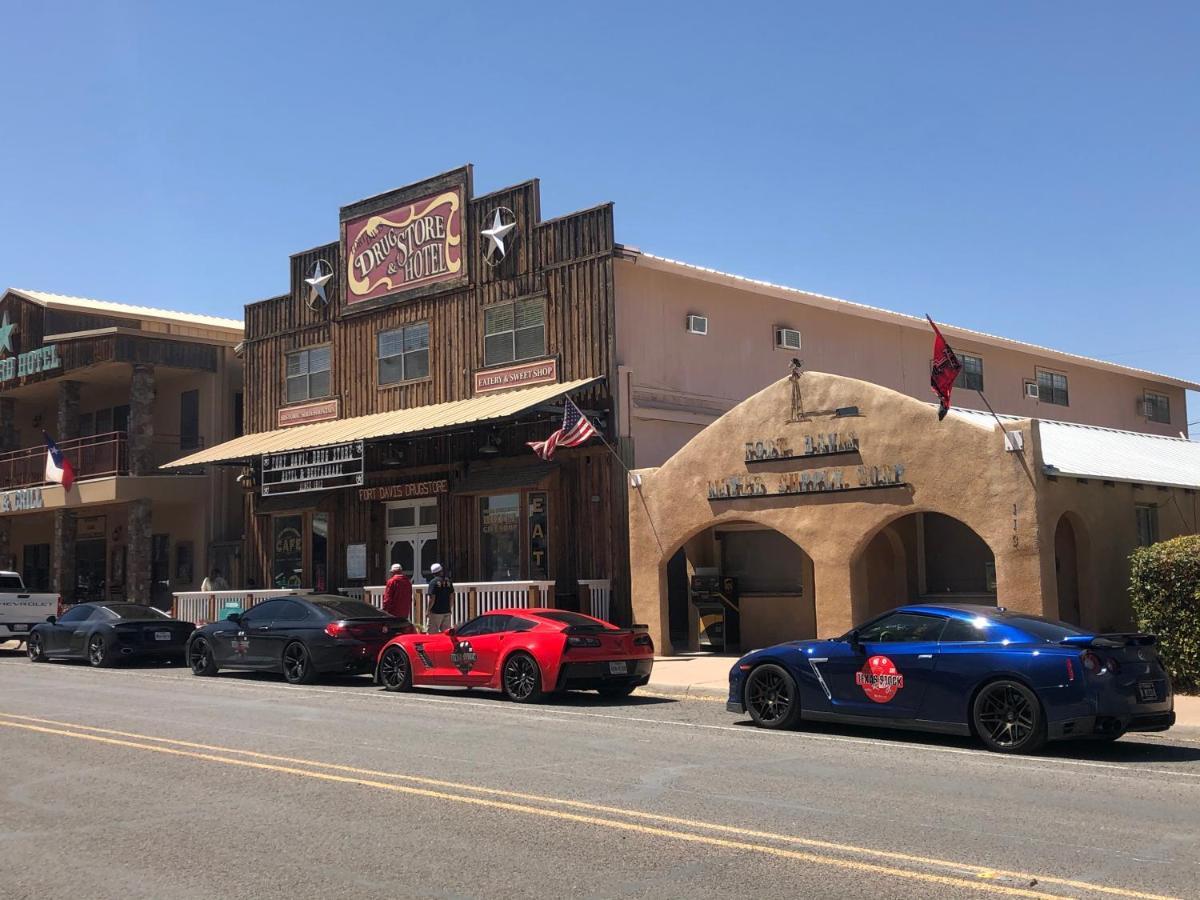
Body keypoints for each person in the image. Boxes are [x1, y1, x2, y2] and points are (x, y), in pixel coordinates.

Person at [425, 563, 454, 633]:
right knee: (446, 634)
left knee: (432, 634)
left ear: (433, 573)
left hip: (436, 612)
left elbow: (432, 598)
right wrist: (449, 607)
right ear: (441, 571)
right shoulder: (448, 581)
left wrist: (428, 610)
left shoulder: (433, 582)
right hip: (446, 611)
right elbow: (452, 596)